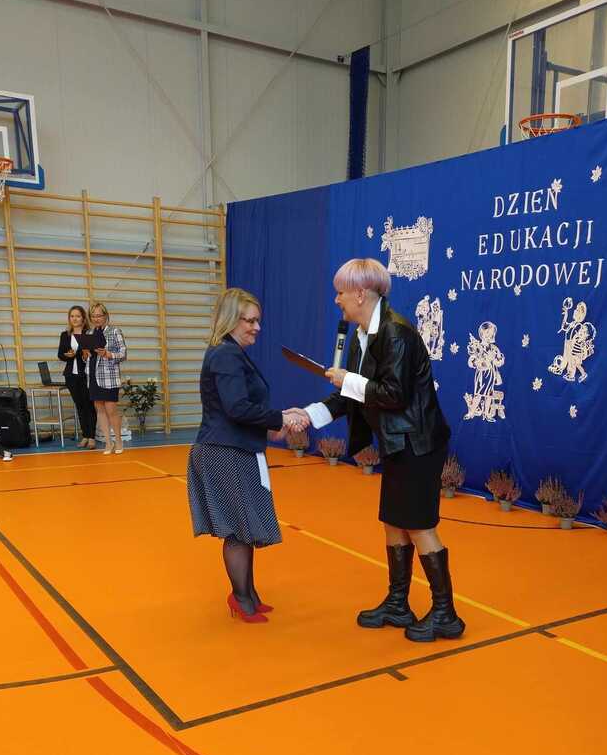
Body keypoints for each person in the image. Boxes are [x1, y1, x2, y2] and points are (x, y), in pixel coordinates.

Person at [288, 258, 465, 642]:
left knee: (419, 525)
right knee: (394, 522)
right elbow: (349, 396)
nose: (336, 300)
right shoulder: (361, 336)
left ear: (360, 293)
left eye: (340, 293)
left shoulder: (396, 333)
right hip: (396, 444)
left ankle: (446, 613)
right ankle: (398, 603)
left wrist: (348, 380)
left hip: (418, 444)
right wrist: (309, 414)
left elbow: (394, 394)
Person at [187, 288, 302, 623]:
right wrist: (280, 419)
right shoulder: (226, 355)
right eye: (250, 321)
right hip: (224, 452)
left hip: (237, 448)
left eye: (257, 321)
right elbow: (237, 407)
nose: (257, 327)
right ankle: (240, 597)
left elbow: (241, 408)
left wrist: (276, 421)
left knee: (245, 524)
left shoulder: (232, 353)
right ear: (231, 320)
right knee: (238, 529)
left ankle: (249, 593)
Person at [84, 302, 127, 454]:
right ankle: (108, 443)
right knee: (100, 410)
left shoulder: (114, 331)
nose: (96, 319)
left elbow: (123, 354)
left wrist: (108, 354)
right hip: (93, 376)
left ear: (105, 316)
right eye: (93, 316)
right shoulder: (89, 333)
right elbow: (88, 357)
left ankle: (119, 441)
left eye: (99, 315)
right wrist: (85, 355)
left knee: (111, 410)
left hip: (109, 377)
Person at [58, 305, 96, 448]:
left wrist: (78, 354)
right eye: (72, 316)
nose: (74, 319)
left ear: (83, 318)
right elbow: (60, 355)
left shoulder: (89, 334)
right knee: (80, 406)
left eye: (78, 316)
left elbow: (93, 354)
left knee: (89, 405)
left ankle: (92, 437)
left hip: (86, 375)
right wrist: (68, 356)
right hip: (71, 376)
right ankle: (85, 435)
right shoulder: (65, 335)